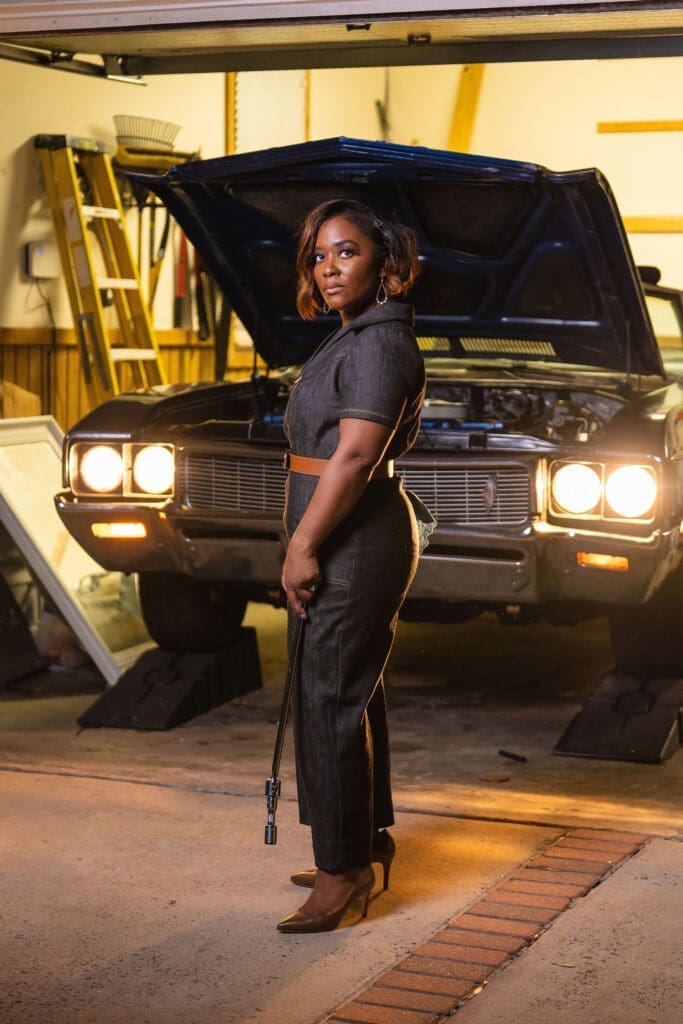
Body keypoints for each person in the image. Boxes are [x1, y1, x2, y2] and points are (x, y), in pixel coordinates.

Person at [277, 198, 425, 934]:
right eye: (317, 256)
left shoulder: (376, 345)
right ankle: (358, 844)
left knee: (329, 698)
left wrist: (303, 546)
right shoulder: (353, 335)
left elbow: (358, 454)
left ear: (384, 262)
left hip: (354, 541)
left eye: (345, 252)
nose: (328, 269)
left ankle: (343, 877)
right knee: (346, 694)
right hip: (342, 534)